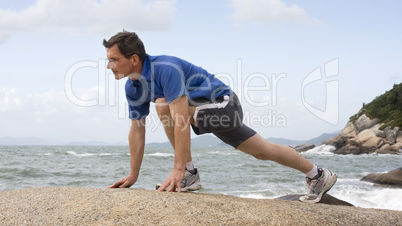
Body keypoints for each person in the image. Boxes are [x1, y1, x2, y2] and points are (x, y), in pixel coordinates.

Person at [105, 31, 337, 203]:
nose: (109, 66)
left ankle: (188, 172)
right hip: (205, 113)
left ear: (134, 59)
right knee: (262, 150)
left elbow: (181, 118)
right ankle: (318, 174)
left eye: (114, 60)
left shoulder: (166, 68)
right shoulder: (133, 87)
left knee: (163, 105)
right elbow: (137, 130)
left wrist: (179, 169)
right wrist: (133, 175)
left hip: (225, 106)